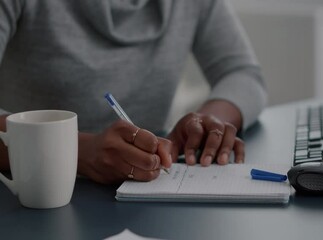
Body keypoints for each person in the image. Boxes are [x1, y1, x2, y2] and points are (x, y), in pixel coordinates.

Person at [0, 0, 267, 184]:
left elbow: (242, 72)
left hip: (149, 186)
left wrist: (207, 122)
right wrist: (75, 151)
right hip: (31, 195)